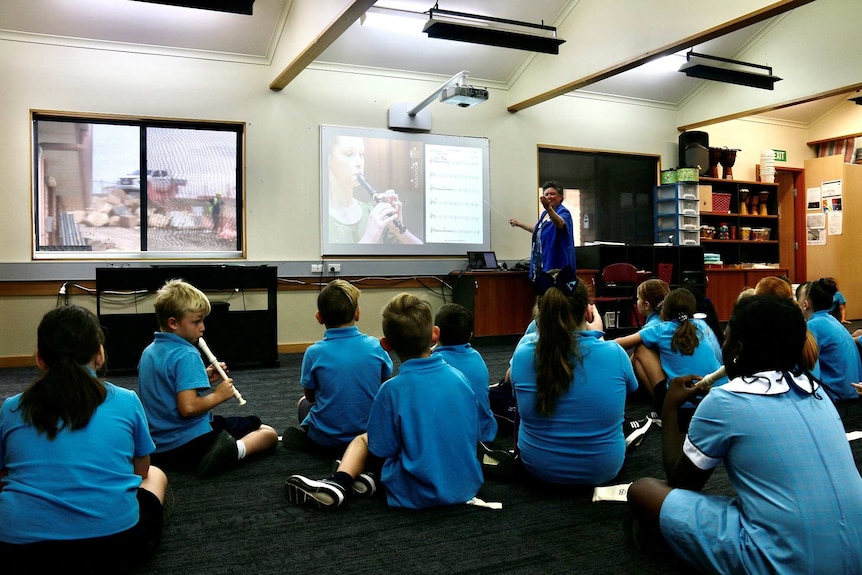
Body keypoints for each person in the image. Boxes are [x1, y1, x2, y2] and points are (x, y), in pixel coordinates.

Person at [626, 295, 862, 574]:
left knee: (641, 490)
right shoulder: (817, 391)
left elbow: (680, 483)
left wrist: (670, 408)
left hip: (785, 560)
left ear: (736, 348)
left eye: (726, 338)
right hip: (855, 551)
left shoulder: (726, 401)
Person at [0, 305, 169, 573]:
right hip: (115, 546)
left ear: (40, 359)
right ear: (100, 355)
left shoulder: (10, 408)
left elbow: (3, 472)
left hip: (19, 551)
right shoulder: (126, 401)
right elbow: (141, 470)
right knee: (156, 474)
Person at [284, 293, 492, 510]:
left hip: (415, 492)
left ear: (387, 344)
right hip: (467, 484)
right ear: (434, 334)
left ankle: (340, 483)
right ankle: (368, 479)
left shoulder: (392, 390)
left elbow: (382, 449)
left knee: (363, 440)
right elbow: (474, 434)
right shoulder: (460, 378)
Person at [508, 266, 645, 486]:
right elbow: (631, 390)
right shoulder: (615, 354)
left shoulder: (523, 355)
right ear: (588, 312)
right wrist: (599, 340)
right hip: (602, 471)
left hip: (537, 468)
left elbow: (516, 394)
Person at [138, 279, 278, 478]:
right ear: (173, 323)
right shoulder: (187, 353)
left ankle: (214, 452)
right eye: (196, 321)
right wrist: (219, 395)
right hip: (192, 440)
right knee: (267, 432)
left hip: (158, 445)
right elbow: (188, 408)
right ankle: (230, 453)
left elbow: (167, 386)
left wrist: (202, 376)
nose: (202, 327)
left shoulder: (149, 352)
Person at [284, 279, 393, 453]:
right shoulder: (375, 346)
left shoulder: (313, 352)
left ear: (319, 317)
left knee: (303, 404)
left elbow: (311, 397)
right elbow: (386, 387)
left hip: (328, 439)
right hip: (370, 435)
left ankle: (320, 444)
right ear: (357, 314)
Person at [614, 288, 727, 426]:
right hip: (718, 398)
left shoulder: (660, 329)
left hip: (682, 407)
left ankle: (663, 408)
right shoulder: (702, 325)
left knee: (641, 349)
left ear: (664, 311)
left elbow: (619, 344)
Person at [327, 135, 422, 245]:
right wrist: (369, 237)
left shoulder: (373, 212)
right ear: (328, 158)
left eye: (361, 154)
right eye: (349, 154)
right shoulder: (319, 216)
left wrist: (400, 231)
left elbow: (426, 257)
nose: (359, 163)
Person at [431, 303, 497, 441]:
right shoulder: (477, 356)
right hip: (485, 434)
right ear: (470, 335)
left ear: (436, 334)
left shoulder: (433, 363)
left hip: (453, 439)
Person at [798, 278, 860, 403]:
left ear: (805, 304)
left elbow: (810, 372)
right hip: (852, 390)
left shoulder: (813, 326)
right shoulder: (832, 320)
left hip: (837, 396)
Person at [508, 181, 576, 281]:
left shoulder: (563, 212)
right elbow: (538, 230)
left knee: (555, 294)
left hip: (557, 264)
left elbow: (560, 224)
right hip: (542, 262)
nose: (549, 197)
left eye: (553, 194)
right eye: (546, 194)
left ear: (561, 197)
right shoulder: (545, 214)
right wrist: (519, 224)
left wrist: (548, 208)